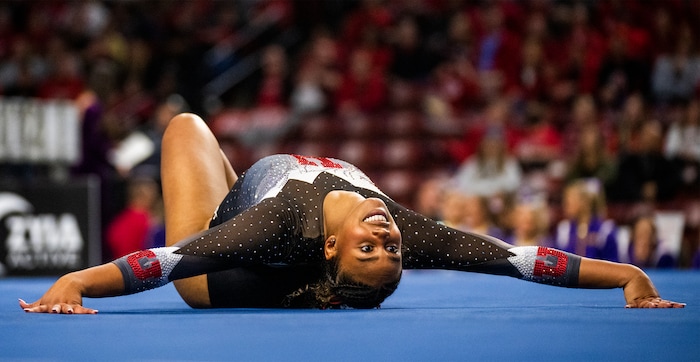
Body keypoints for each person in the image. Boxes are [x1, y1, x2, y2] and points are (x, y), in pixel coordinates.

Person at [19, 113, 684, 314]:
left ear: (333, 251)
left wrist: (75, 283)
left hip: (212, 269)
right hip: (254, 202)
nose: (387, 241)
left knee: (184, 128)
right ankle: (295, 290)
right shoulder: (402, 222)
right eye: (392, 252)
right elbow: (515, 260)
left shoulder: (282, 222)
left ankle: (285, 290)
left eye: (373, 252)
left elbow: (166, 262)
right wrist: (626, 274)